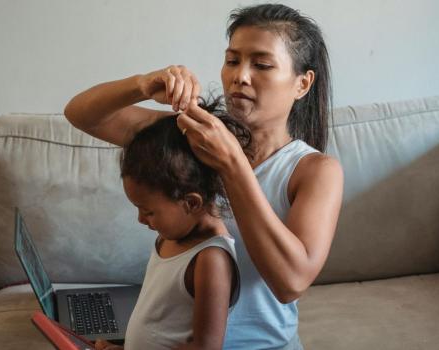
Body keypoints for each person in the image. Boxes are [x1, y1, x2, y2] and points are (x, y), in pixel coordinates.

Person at [65, 4, 344, 349]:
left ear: (302, 83)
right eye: (232, 60)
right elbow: (80, 114)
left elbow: (291, 283)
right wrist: (142, 85)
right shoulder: (188, 138)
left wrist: (232, 164)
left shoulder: (314, 170)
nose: (240, 76)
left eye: (261, 64)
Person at [96, 102, 249, 350]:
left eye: (148, 211)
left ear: (190, 202)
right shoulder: (172, 235)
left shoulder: (211, 260)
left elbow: (206, 348)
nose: (141, 220)